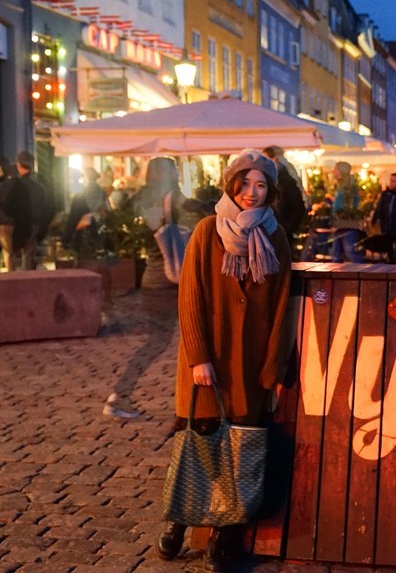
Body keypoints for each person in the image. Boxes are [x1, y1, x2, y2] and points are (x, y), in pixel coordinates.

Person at [155, 149, 293, 571]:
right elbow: (190, 297)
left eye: (261, 185)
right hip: (208, 361)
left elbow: (283, 306)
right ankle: (179, 519)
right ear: (231, 185)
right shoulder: (206, 231)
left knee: (241, 452)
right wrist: (198, 356)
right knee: (198, 444)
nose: (252, 193)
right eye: (245, 183)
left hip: (249, 364)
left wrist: (273, 368)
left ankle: (225, 536)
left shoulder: (276, 237)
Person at [129, 158, 187, 289]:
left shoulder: (141, 197)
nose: (177, 173)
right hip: (174, 273)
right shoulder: (175, 198)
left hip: (151, 274)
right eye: (174, 170)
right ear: (164, 172)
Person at [0, 158, 31, 272]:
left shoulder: (0, 187)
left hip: (3, 223)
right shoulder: (23, 188)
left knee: (8, 251)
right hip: (19, 222)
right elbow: (27, 206)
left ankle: (11, 273)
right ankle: (21, 272)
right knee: (19, 250)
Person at [16, 151, 55, 270]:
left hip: (19, 223)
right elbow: (48, 206)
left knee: (17, 255)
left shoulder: (15, 185)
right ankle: (27, 275)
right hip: (35, 223)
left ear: (19, 165)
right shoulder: (40, 185)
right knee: (29, 253)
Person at [263, 146, 307, 248]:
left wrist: (287, 228)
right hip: (274, 228)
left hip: (281, 229)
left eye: (265, 159)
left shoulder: (285, 181)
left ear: (274, 159)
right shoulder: (270, 179)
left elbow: (298, 206)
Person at [61, 168, 108, 255]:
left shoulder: (81, 195)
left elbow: (73, 219)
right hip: (99, 229)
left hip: (83, 233)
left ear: (86, 178)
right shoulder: (102, 192)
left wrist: (65, 240)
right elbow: (107, 209)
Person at [329, 161, 364, 263]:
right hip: (340, 223)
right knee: (336, 253)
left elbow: (349, 206)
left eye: (335, 169)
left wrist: (337, 215)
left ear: (341, 171)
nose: (333, 172)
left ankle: (365, 272)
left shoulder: (348, 187)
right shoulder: (340, 186)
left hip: (346, 223)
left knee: (350, 252)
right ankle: (336, 275)